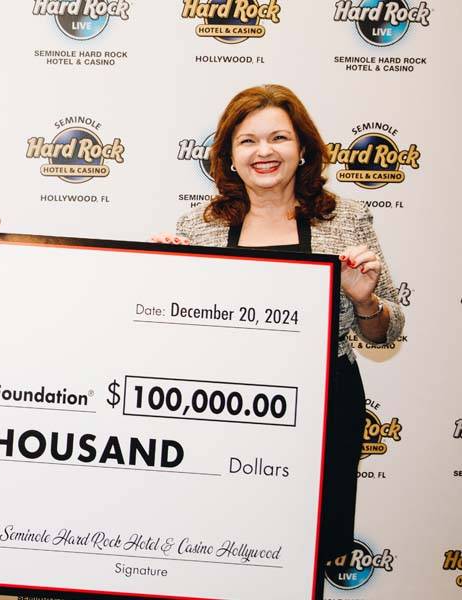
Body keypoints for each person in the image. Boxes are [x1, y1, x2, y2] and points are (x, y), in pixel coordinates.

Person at [153, 84, 404, 563]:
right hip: (219, 412)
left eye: (278, 138)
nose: (263, 151)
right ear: (228, 155)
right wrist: (163, 278)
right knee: (213, 548)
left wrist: (365, 300)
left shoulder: (345, 220)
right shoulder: (199, 225)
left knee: (302, 557)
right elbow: (171, 334)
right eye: (247, 141)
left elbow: (387, 332)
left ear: (303, 148)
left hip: (323, 410)